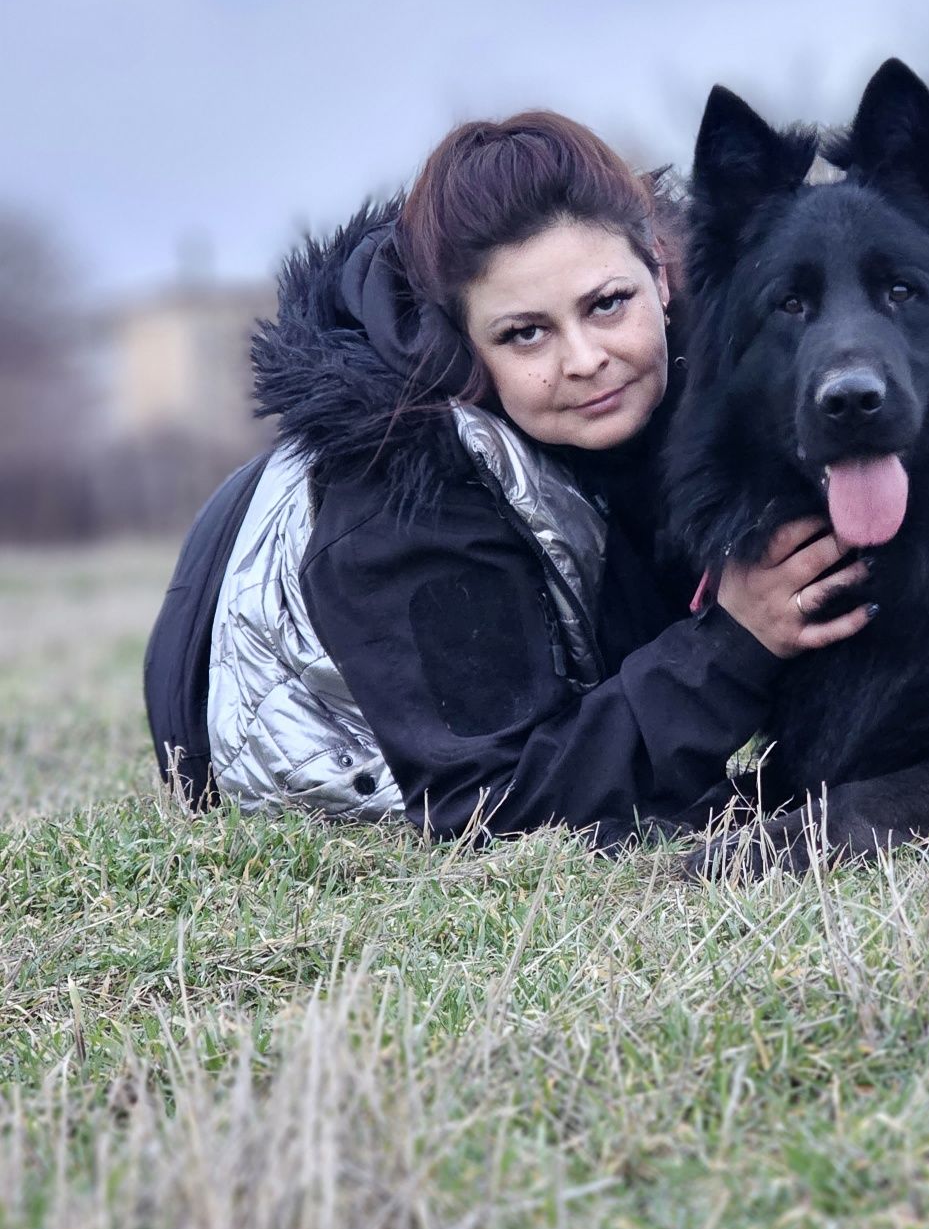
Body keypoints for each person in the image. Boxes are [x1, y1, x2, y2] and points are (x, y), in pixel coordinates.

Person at [143, 112, 874, 842]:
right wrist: (735, 642)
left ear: (658, 268)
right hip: (299, 738)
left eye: (607, 304)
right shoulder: (401, 485)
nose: (585, 358)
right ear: (461, 341)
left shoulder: (721, 349)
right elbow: (488, 803)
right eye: (526, 333)